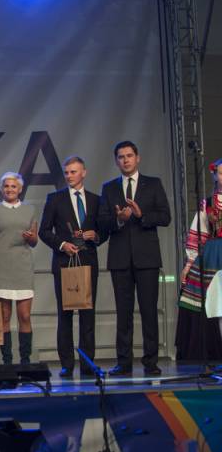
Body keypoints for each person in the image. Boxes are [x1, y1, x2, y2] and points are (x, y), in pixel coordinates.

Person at [98, 140, 171, 377]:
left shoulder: (153, 184)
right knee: (124, 313)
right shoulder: (109, 188)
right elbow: (102, 222)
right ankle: (124, 363)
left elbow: (165, 217)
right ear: (116, 161)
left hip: (147, 258)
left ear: (137, 158)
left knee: (149, 311)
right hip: (120, 259)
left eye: (129, 155)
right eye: (121, 157)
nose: (126, 160)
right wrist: (119, 220)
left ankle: (151, 362)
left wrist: (141, 215)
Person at [39, 157, 105, 377]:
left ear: (83, 173)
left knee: (88, 315)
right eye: (66, 172)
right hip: (64, 263)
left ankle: (87, 364)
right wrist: (62, 244)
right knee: (65, 314)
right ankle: (67, 364)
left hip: (88, 261)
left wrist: (96, 235)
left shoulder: (95, 200)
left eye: (73, 172)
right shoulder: (55, 199)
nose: (69, 176)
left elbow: (104, 231)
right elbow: (44, 231)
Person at [0, 172, 38, 365]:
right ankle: (7, 361)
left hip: (23, 267)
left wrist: (31, 237)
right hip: (1, 268)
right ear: (2, 189)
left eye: (13, 186)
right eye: (6, 186)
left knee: (25, 316)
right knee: (4, 317)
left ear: (20, 189)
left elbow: (34, 241)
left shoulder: (30, 210)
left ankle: (25, 361)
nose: (9, 189)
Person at [175, 158, 222, 361]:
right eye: (221, 173)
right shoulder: (207, 204)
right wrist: (189, 264)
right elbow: (197, 234)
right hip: (213, 254)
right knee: (214, 304)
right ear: (215, 176)